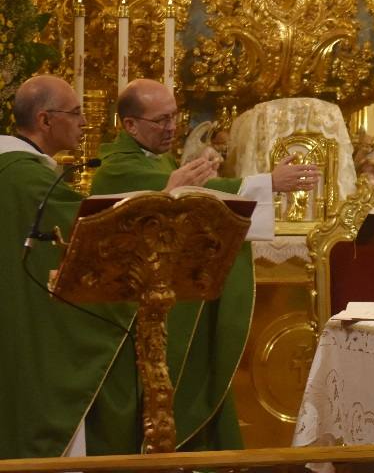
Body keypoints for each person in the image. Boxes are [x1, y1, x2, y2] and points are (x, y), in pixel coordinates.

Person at [89, 78, 320, 451]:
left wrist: (188, 183)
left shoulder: (156, 159)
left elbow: (192, 196)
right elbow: (174, 197)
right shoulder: (117, 167)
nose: (171, 128)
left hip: (169, 300)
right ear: (129, 125)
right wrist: (268, 182)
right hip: (134, 312)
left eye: (174, 117)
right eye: (160, 121)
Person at [0, 75, 138, 458]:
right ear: (45, 120)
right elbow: (88, 232)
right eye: (75, 113)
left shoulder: (17, 171)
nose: (84, 123)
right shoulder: (29, 180)